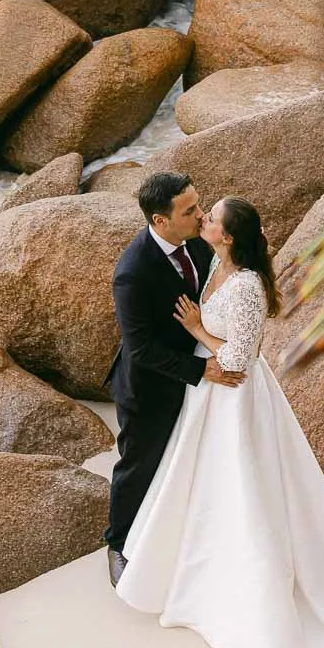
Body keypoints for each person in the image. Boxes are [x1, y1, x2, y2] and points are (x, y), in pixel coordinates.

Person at [114, 193, 324, 648]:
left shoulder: (247, 286)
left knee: (240, 482)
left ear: (227, 237)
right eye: (199, 212)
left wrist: (197, 330)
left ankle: (251, 593)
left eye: (210, 217)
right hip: (204, 391)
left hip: (232, 394)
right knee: (197, 479)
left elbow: (239, 358)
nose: (202, 218)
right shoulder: (214, 260)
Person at [104, 171, 243, 588]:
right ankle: (118, 545)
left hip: (195, 376)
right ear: (160, 221)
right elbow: (140, 347)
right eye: (189, 210)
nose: (201, 215)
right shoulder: (132, 272)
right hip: (148, 388)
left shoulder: (197, 242)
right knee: (139, 465)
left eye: (199, 205)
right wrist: (201, 370)